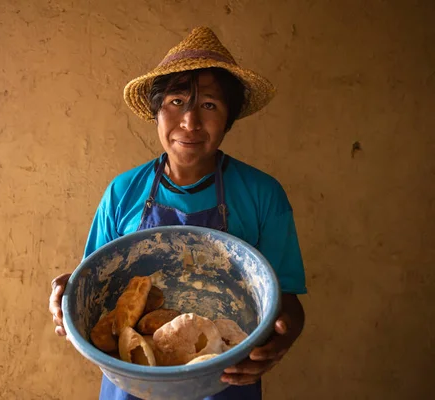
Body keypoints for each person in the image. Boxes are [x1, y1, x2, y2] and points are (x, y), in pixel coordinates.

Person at [48, 26, 307, 400]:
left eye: (209, 106)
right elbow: (94, 288)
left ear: (228, 118)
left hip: (224, 379)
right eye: (176, 101)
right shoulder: (123, 192)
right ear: (156, 111)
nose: (189, 121)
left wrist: (282, 342)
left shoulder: (263, 195)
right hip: (133, 382)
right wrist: (67, 294)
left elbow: (288, 304)